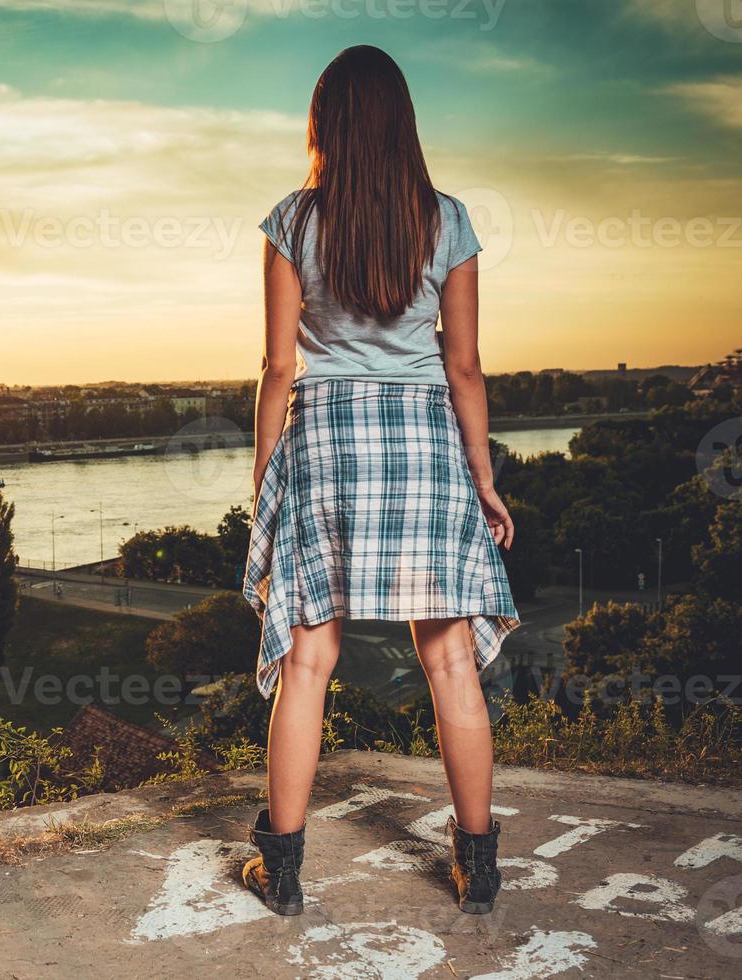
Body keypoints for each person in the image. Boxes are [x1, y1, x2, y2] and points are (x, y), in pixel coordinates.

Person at [240, 45, 520, 917]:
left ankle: (281, 870)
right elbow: (465, 368)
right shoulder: (450, 221)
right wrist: (483, 476)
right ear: (404, 121)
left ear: (324, 124)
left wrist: (264, 475)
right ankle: (477, 866)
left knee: (308, 660)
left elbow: (277, 368)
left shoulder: (292, 221)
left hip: (325, 441)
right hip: (426, 444)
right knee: (449, 660)